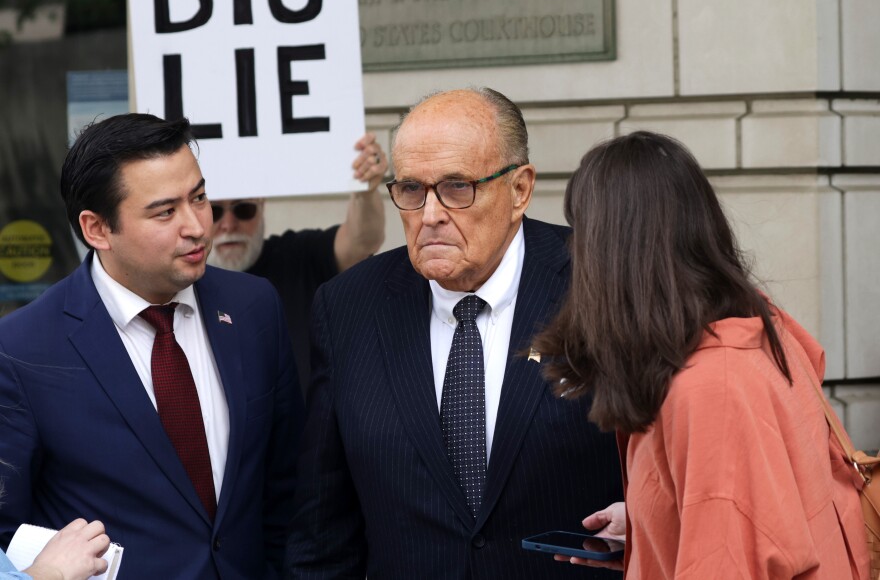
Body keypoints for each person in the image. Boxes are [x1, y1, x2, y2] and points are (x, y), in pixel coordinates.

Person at [285, 88, 623, 579]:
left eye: (457, 187)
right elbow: (322, 531)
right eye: (411, 190)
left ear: (520, 190)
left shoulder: (600, 282)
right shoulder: (348, 308)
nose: (430, 214)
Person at [532, 131, 870, 578]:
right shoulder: (759, 328)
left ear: (609, 253)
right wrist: (652, 526)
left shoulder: (712, 388)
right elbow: (764, 510)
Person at [0, 113, 303, 579]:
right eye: (165, 212)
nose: (198, 226)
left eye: (199, 198)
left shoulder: (253, 307)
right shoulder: (22, 349)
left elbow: (289, 489)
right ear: (97, 229)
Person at [207, 132, 387, 392]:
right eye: (214, 212)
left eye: (243, 209)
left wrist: (365, 189)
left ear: (262, 205)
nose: (228, 224)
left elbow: (362, 240)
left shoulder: (297, 257)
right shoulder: (179, 283)